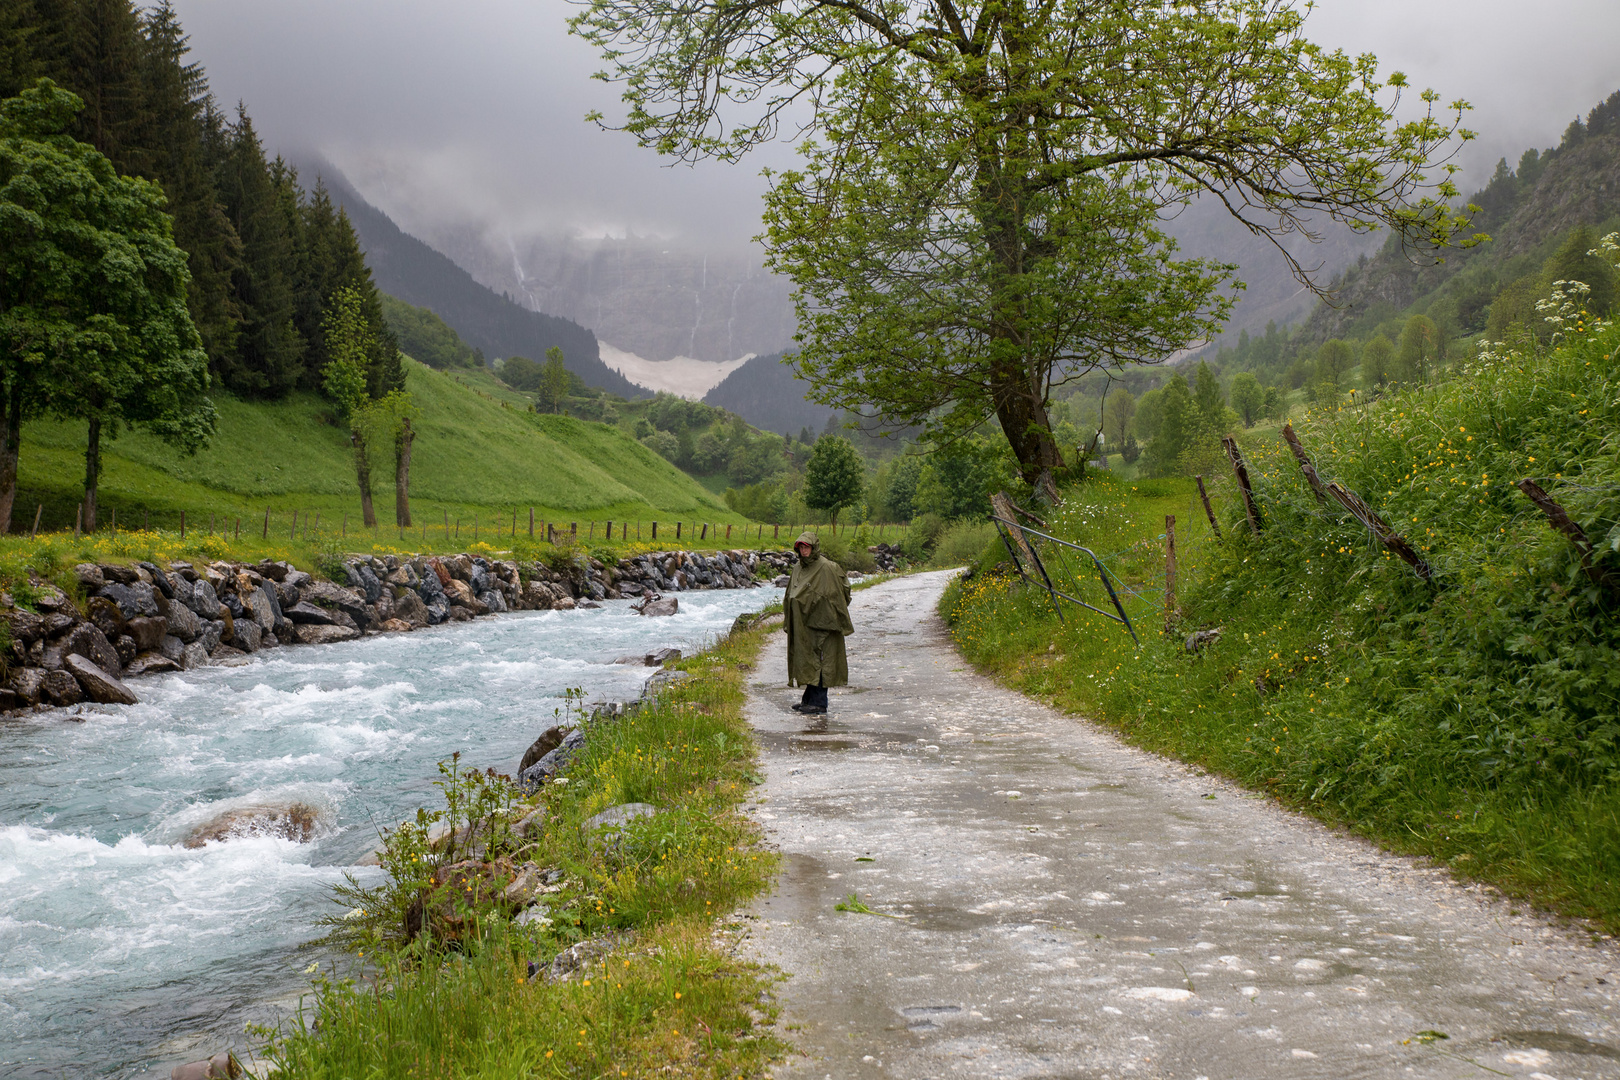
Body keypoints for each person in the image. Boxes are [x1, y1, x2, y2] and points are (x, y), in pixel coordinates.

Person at [784, 530, 853, 714]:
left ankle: (819, 703)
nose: (804, 551)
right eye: (800, 547)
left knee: (822, 661)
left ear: (813, 547)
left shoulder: (828, 567)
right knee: (807, 660)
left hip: (823, 624)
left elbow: (842, 592)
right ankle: (808, 699)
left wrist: (824, 609)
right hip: (803, 625)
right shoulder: (798, 568)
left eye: (806, 547)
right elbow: (790, 594)